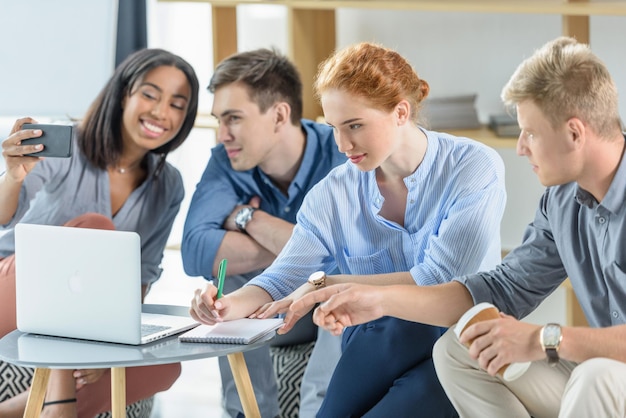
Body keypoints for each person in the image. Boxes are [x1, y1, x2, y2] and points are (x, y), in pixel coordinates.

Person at [292, 36, 626, 418]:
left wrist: (543, 339)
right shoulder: (562, 202)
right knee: (460, 347)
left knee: (597, 375)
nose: (520, 147)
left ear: (574, 133)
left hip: (605, 376)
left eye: (530, 133)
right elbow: (499, 289)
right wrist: (376, 299)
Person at [190, 42, 507, 417]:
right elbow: (282, 277)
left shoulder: (473, 167)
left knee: (410, 348)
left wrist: (326, 286)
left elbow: (440, 280)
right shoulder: (333, 192)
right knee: (384, 336)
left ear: (401, 112)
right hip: (378, 345)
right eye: (334, 128)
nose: (342, 145)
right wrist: (227, 306)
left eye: (354, 125)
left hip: (461, 342)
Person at [0, 47, 199, 418]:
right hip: (12, 288)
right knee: (95, 229)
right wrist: (12, 177)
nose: (161, 112)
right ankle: (57, 405)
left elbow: (140, 277)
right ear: (124, 94)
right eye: (150, 94)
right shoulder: (69, 146)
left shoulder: (168, 185)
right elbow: (2, 216)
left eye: (177, 104)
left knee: (165, 366)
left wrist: (111, 346)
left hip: (77, 316)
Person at [180, 48, 346, 418]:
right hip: (267, 308)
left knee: (340, 279)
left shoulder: (339, 154)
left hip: (323, 304)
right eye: (219, 120)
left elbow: (350, 256)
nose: (222, 134)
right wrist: (308, 250)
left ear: (279, 115)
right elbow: (194, 250)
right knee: (227, 279)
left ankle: (320, 411)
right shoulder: (225, 162)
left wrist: (246, 217)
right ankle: (248, 413)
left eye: (233, 119)